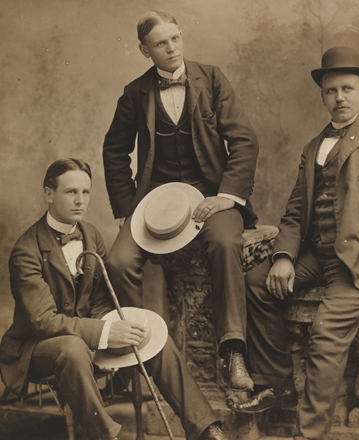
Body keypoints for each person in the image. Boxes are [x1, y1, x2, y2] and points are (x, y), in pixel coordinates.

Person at [228, 46, 359, 440]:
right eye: (330, 91)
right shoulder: (313, 148)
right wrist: (285, 256)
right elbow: (294, 214)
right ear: (323, 95)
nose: (339, 98)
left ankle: (307, 435)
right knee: (256, 281)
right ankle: (277, 380)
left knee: (324, 335)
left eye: (347, 89)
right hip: (317, 256)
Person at [0, 158, 229, 440]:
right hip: (37, 348)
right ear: (49, 194)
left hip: (88, 338)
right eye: (71, 192)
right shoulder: (27, 250)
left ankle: (205, 427)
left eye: (86, 192)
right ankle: (108, 435)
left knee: (148, 332)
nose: (80, 200)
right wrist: (105, 334)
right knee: (72, 348)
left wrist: (110, 337)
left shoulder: (91, 235)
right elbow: (43, 322)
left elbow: (101, 298)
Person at [102, 10, 259, 392]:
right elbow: (114, 150)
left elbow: (244, 141)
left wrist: (225, 197)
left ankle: (232, 351)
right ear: (144, 50)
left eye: (175, 38)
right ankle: (134, 355)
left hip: (211, 195)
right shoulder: (135, 93)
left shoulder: (212, 78)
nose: (171, 48)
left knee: (224, 243)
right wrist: (127, 210)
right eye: (160, 43)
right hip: (153, 202)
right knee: (118, 261)